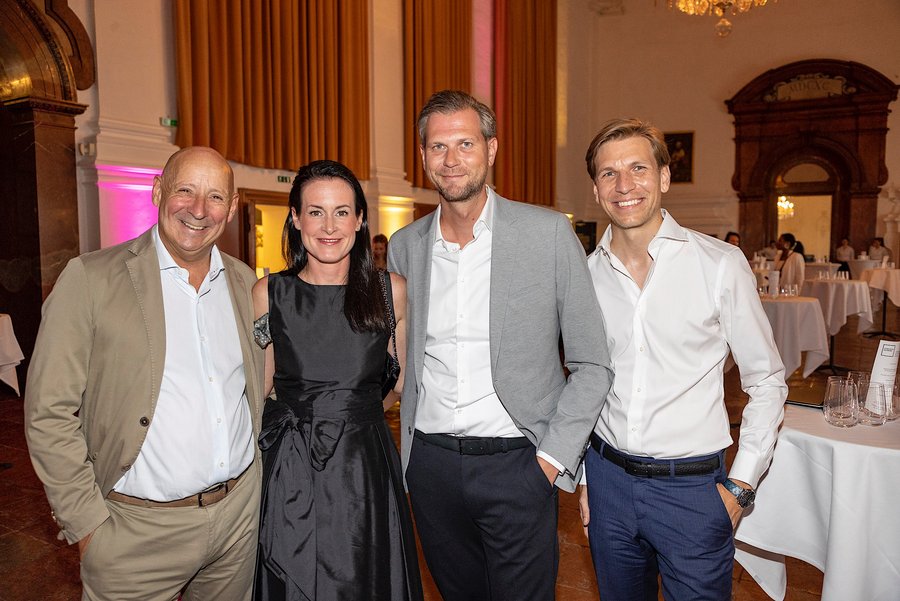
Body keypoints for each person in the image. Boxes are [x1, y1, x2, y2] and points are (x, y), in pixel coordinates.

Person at [387, 89, 613, 601]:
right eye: (438, 146)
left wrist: (551, 461)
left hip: (520, 463)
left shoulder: (548, 234)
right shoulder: (406, 247)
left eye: (465, 143)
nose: (451, 159)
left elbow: (593, 362)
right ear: (423, 157)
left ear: (491, 150)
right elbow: (398, 360)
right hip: (432, 465)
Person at [24, 147, 266, 600]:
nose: (198, 210)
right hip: (135, 534)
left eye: (215, 197)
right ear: (158, 191)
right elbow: (47, 411)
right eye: (185, 191)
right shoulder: (91, 279)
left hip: (237, 523)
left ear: (232, 208)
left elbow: (252, 389)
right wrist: (88, 525)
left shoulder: (242, 281)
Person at [579, 119, 786, 601]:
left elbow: (768, 380)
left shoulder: (719, 265)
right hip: (608, 483)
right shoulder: (585, 276)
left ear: (664, 177)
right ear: (595, 189)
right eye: (609, 174)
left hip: (692, 491)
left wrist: (739, 487)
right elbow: (586, 383)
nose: (624, 185)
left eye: (637, 168)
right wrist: (588, 479)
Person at [251, 160, 422, 601]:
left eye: (342, 212)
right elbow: (261, 388)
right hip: (290, 467)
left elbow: (399, 383)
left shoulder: (391, 291)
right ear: (295, 217)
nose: (329, 226)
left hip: (364, 471)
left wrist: (351, 415)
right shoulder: (269, 293)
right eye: (315, 212)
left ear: (361, 219)